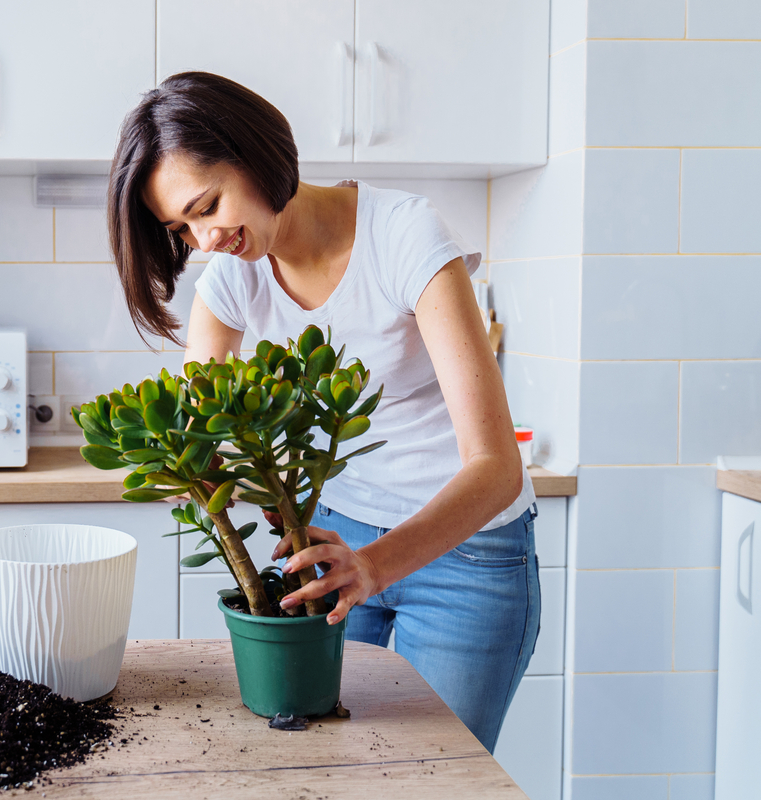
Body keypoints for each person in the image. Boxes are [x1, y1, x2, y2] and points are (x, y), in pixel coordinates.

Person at [106, 71, 538, 753]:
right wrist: (242, 483)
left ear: (254, 153)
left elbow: (497, 467)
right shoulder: (231, 276)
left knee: (437, 775)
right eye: (180, 228)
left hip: (466, 552)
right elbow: (203, 435)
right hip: (332, 542)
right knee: (318, 765)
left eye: (207, 204)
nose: (204, 238)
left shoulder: (405, 237)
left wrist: (375, 565)